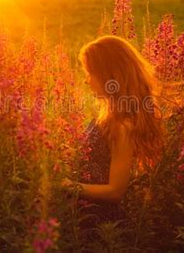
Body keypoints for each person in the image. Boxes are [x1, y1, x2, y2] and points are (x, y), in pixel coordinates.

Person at [62, 35, 171, 244]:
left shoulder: (122, 126)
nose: (86, 80)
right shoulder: (107, 116)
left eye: (89, 73)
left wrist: (69, 185)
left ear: (108, 75)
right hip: (84, 218)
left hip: (102, 229)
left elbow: (115, 191)